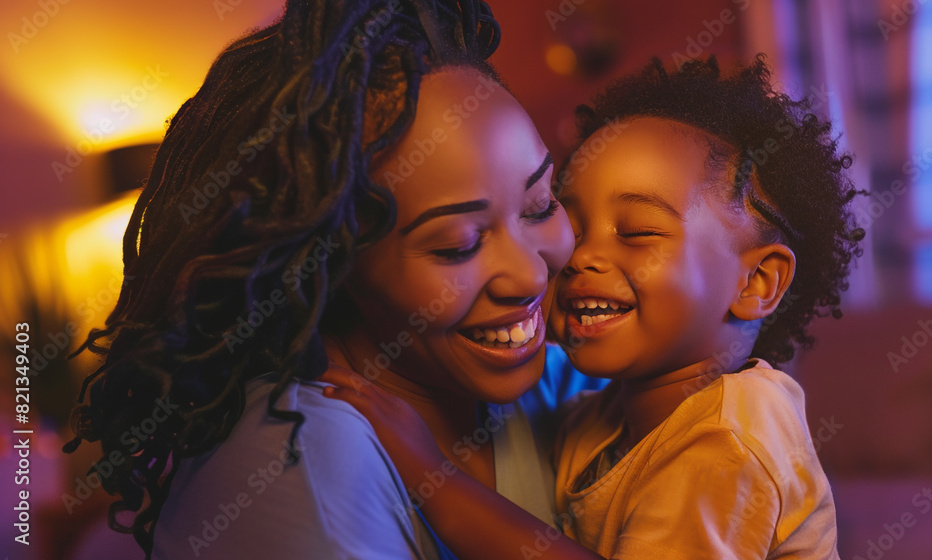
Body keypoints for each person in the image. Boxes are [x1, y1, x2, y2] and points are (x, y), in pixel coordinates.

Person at [63, 1, 604, 558]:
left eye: (540, 205)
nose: (529, 273)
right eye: (458, 244)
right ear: (334, 261)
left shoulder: (563, 384)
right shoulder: (301, 460)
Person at [324, 55, 866, 559]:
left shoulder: (732, 436)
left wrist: (433, 476)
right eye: (569, 222)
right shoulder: (596, 422)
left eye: (637, 232)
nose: (581, 257)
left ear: (757, 282)